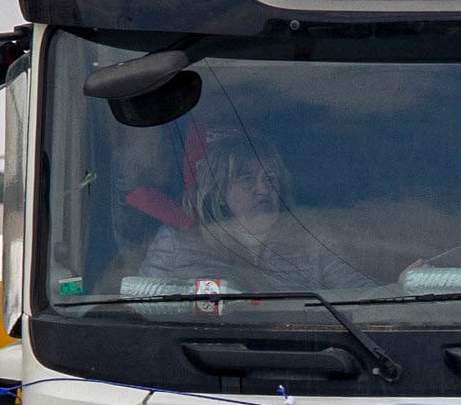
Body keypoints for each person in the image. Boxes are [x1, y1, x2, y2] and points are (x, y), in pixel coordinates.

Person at [126, 125, 360, 299]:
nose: (263, 189)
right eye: (247, 180)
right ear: (218, 191)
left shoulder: (311, 238)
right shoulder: (176, 242)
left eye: (270, 178)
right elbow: (137, 302)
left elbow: (361, 296)